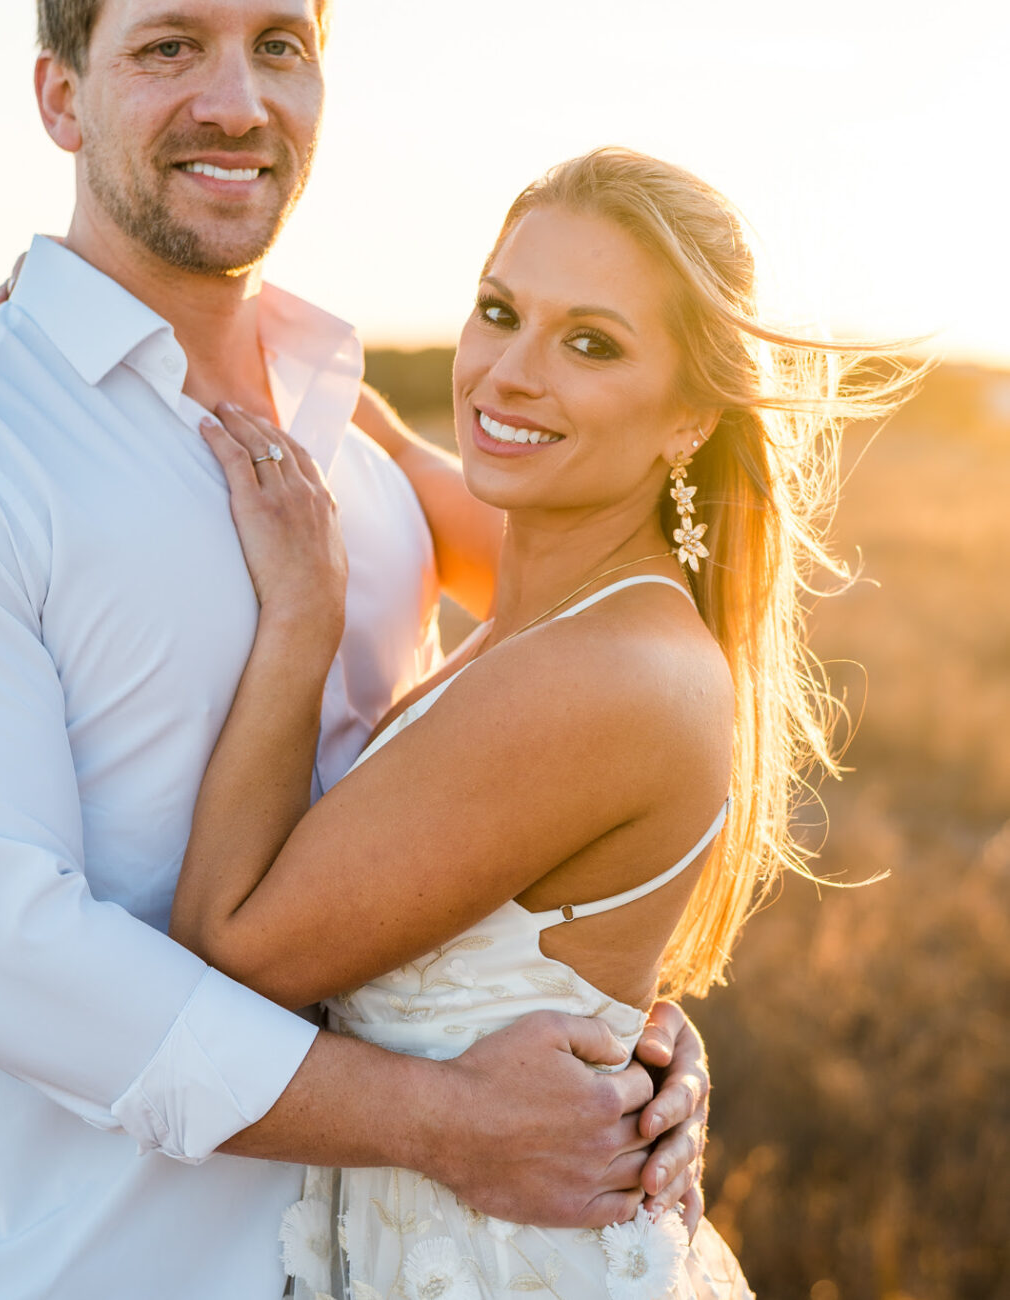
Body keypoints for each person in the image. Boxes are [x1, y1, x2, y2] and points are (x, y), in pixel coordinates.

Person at [0, 3, 712, 1296]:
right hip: (84, 1268)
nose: (238, 102)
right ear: (60, 98)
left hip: (391, 1262)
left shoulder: (356, 421)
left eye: (280, 43)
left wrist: (616, 1031)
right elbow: (14, 966)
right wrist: (451, 1123)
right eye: (170, 46)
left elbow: (612, 669)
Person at [166, 147, 920, 1298]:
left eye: (591, 343)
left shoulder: (604, 674)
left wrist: (301, 621)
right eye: (498, 310)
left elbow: (228, 960)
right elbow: (377, 432)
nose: (508, 374)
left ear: (688, 417)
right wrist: (122, 308)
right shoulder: (554, 570)